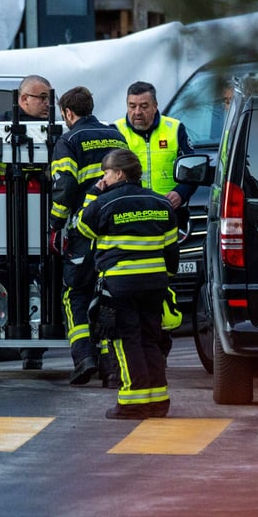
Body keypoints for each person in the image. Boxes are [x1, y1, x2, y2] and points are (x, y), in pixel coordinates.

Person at [76, 148, 179, 419]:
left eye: (106, 173)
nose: (104, 178)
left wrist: (93, 194)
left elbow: (83, 227)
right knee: (151, 338)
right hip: (155, 282)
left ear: (119, 173)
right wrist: (166, 278)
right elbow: (171, 248)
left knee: (125, 339)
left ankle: (132, 402)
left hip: (121, 283)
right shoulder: (161, 203)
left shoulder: (105, 202)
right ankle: (158, 401)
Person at [49, 86, 129, 388]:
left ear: (68, 113)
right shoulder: (116, 136)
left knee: (75, 293)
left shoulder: (68, 140)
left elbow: (65, 186)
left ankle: (84, 357)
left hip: (85, 228)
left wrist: (56, 224)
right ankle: (112, 369)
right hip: (117, 226)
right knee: (109, 294)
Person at [113, 81, 195, 359]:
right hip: (128, 221)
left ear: (155, 106)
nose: (137, 112)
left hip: (164, 221)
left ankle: (161, 340)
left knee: (162, 281)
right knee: (131, 284)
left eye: (144, 106)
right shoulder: (117, 132)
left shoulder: (174, 129)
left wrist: (180, 194)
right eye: (132, 106)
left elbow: (192, 167)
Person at [0, 73, 53, 370]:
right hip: (1, 222)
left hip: (39, 221)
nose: (46, 103)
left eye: (49, 98)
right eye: (41, 98)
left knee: (37, 284)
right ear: (23, 99)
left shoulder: (55, 128)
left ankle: (32, 350)